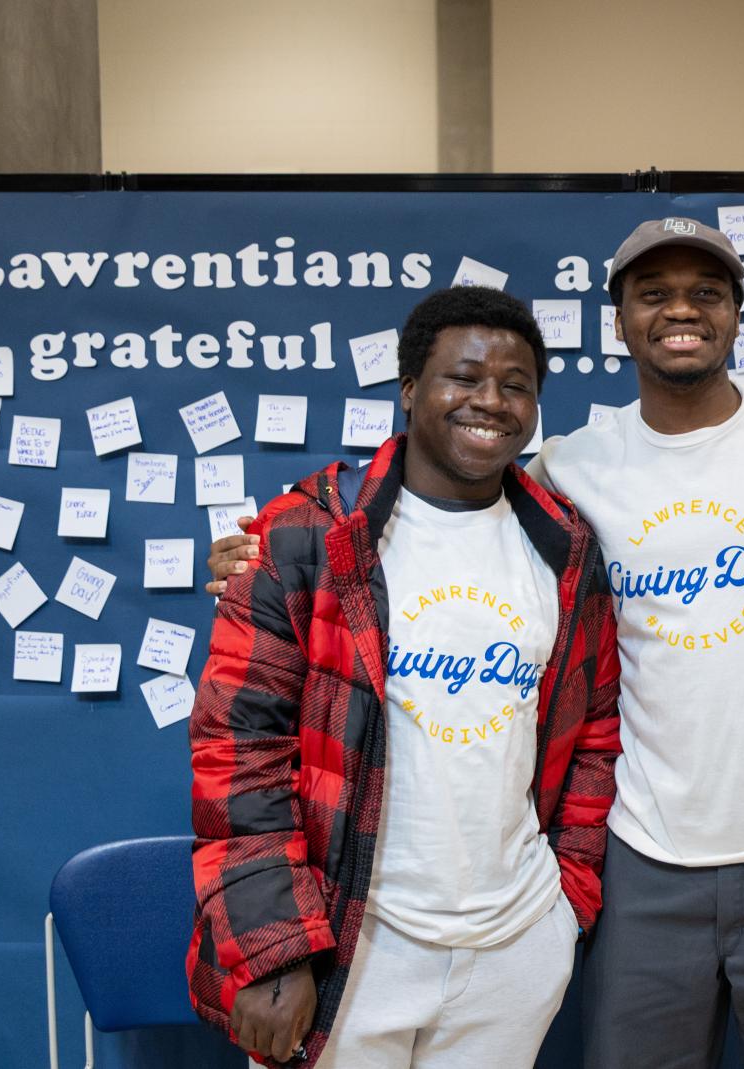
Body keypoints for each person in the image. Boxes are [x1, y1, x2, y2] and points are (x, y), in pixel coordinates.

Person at [206, 218, 744, 1068]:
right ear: (617, 321)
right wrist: (264, 549)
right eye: (653, 294)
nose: (681, 311)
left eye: (707, 292)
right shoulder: (567, 471)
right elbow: (428, 494)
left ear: (737, 313)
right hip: (643, 859)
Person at [187, 286, 621, 1069]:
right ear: (412, 388)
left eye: (516, 384)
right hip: (349, 942)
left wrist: (568, 906)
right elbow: (236, 751)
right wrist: (272, 947)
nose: (490, 400)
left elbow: (594, 731)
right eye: (464, 376)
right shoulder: (309, 537)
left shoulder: (565, 550)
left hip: (513, 947)